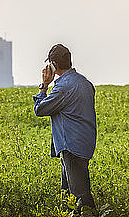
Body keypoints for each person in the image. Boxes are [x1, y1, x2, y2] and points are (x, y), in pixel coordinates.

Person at [33, 44, 97, 210]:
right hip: (83, 143)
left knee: (80, 195)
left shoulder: (62, 88)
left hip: (71, 145)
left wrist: (44, 85)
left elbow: (40, 110)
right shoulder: (85, 83)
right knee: (67, 193)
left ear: (53, 64)